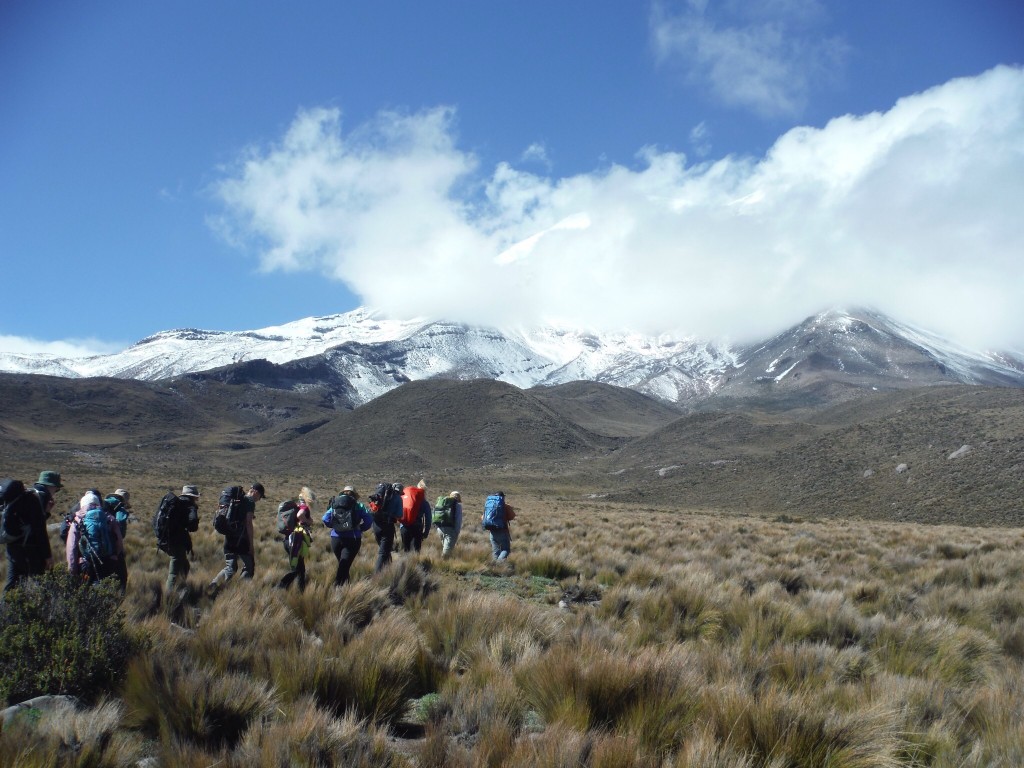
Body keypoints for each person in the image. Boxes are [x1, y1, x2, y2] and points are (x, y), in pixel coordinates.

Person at [2, 471, 59, 592]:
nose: (55, 492)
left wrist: (46, 513)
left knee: (12, 585)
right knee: (42, 585)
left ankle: (5, 609)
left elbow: (28, 523)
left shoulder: (26, 494)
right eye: (56, 488)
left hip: (12, 546)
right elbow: (39, 530)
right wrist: (47, 556)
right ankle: (43, 609)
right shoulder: (38, 498)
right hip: (29, 549)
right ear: (51, 486)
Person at [209, 482, 265, 590]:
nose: (259, 499)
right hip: (241, 540)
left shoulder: (236, 500)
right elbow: (248, 523)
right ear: (256, 492)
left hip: (229, 537)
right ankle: (241, 590)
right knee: (249, 566)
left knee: (230, 567)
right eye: (260, 496)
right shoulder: (249, 501)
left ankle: (214, 586)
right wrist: (251, 545)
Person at [66, 491, 125, 588]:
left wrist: (72, 571)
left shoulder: (77, 520)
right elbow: (119, 542)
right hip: (108, 562)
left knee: (86, 593)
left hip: (86, 564)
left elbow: (72, 548)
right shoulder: (109, 518)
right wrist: (115, 556)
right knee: (106, 591)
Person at [322, 485, 373, 586]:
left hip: (335, 538)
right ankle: (338, 589)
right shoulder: (359, 506)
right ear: (354, 495)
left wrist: (334, 526)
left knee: (343, 565)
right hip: (352, 538)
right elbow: (369, 520)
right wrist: (360, 528)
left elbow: (325, 519)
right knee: (344, 566)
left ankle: (347, 590)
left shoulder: (335, 504)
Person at [161, 485, 201, 592]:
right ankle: (168, 597)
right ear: (193, 496)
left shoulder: (176, 503)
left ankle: (180, 587)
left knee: (184, 566)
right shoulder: (190, 505)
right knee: (174, 572)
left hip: (166, 540)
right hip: (178, 542)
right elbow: (193, 525)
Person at [278, 494, 314, 592]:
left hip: (288, 540)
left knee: (300, 568)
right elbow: (300, 515)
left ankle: (300, 591)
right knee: (296, 568)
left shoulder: (296, 507)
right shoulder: (304, 507)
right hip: (296, 541)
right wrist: (307, 521)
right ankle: (281, 586)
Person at [369, 483, 403, 573]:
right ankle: (376, 576)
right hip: (387, 526)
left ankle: (387, 570)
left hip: (376, 525)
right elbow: (400, 515)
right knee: (383, 553)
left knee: (384, 549)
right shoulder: (398, 498)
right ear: (400, 491)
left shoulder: (383, 495)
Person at [104, 488, 132, 589]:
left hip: (97, 549)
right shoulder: (120, 509)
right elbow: (122, 533)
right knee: (121, 579)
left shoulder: (102, 505)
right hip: (114, 551)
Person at [399, 479, 432, 554]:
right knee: (416, 552)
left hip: (404, 527)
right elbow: (428, 519)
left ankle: (405, 565)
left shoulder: (407, 498)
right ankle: (414, 565)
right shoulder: (425, 503)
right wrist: (425, 533)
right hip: (417, 528)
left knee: (406, 551)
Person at [482, 491, 515, 561]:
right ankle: (499, 564)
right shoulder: (505, 506)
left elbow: (483, 518)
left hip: (492, 531)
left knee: (495, 551)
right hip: (502, 531)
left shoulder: (489, 505)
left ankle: (495, 568)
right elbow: (512, 516)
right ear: (502, 497)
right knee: (505, 550)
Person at [434, 491, 463, 559]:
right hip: (450, 530)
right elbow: (458, 520)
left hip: (440, 528)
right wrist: (456, 532)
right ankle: (443, 565)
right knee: (447, 552)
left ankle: (444, 562)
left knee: (445, 547)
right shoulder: (457, 505)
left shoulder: (442, 503)